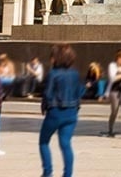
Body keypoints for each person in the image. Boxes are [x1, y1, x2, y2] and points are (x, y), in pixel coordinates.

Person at [39, 44, 81, 177]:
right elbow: (79, 91)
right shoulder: (75, 74)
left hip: (55, 112)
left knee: (44, 141)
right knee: (66, 144)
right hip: (72, 112)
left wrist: (44, 106)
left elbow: (48, 93)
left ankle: (48, 172)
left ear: (56, 58)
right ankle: (67, 174)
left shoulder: (53, 73)